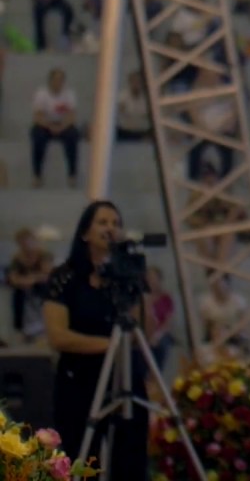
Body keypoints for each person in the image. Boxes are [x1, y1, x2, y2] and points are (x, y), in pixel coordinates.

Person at [43, 201, 150, 478]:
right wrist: (110, 345)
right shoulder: (64, 278)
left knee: (131, 459)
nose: (110, 229)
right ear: (85, 233)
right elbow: (58, 336)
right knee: (83, 459)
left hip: (124, 376)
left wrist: (134, 279)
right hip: (80, 381)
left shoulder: (123, 279)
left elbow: (140, 332)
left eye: (116, 223)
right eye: (103, 223)